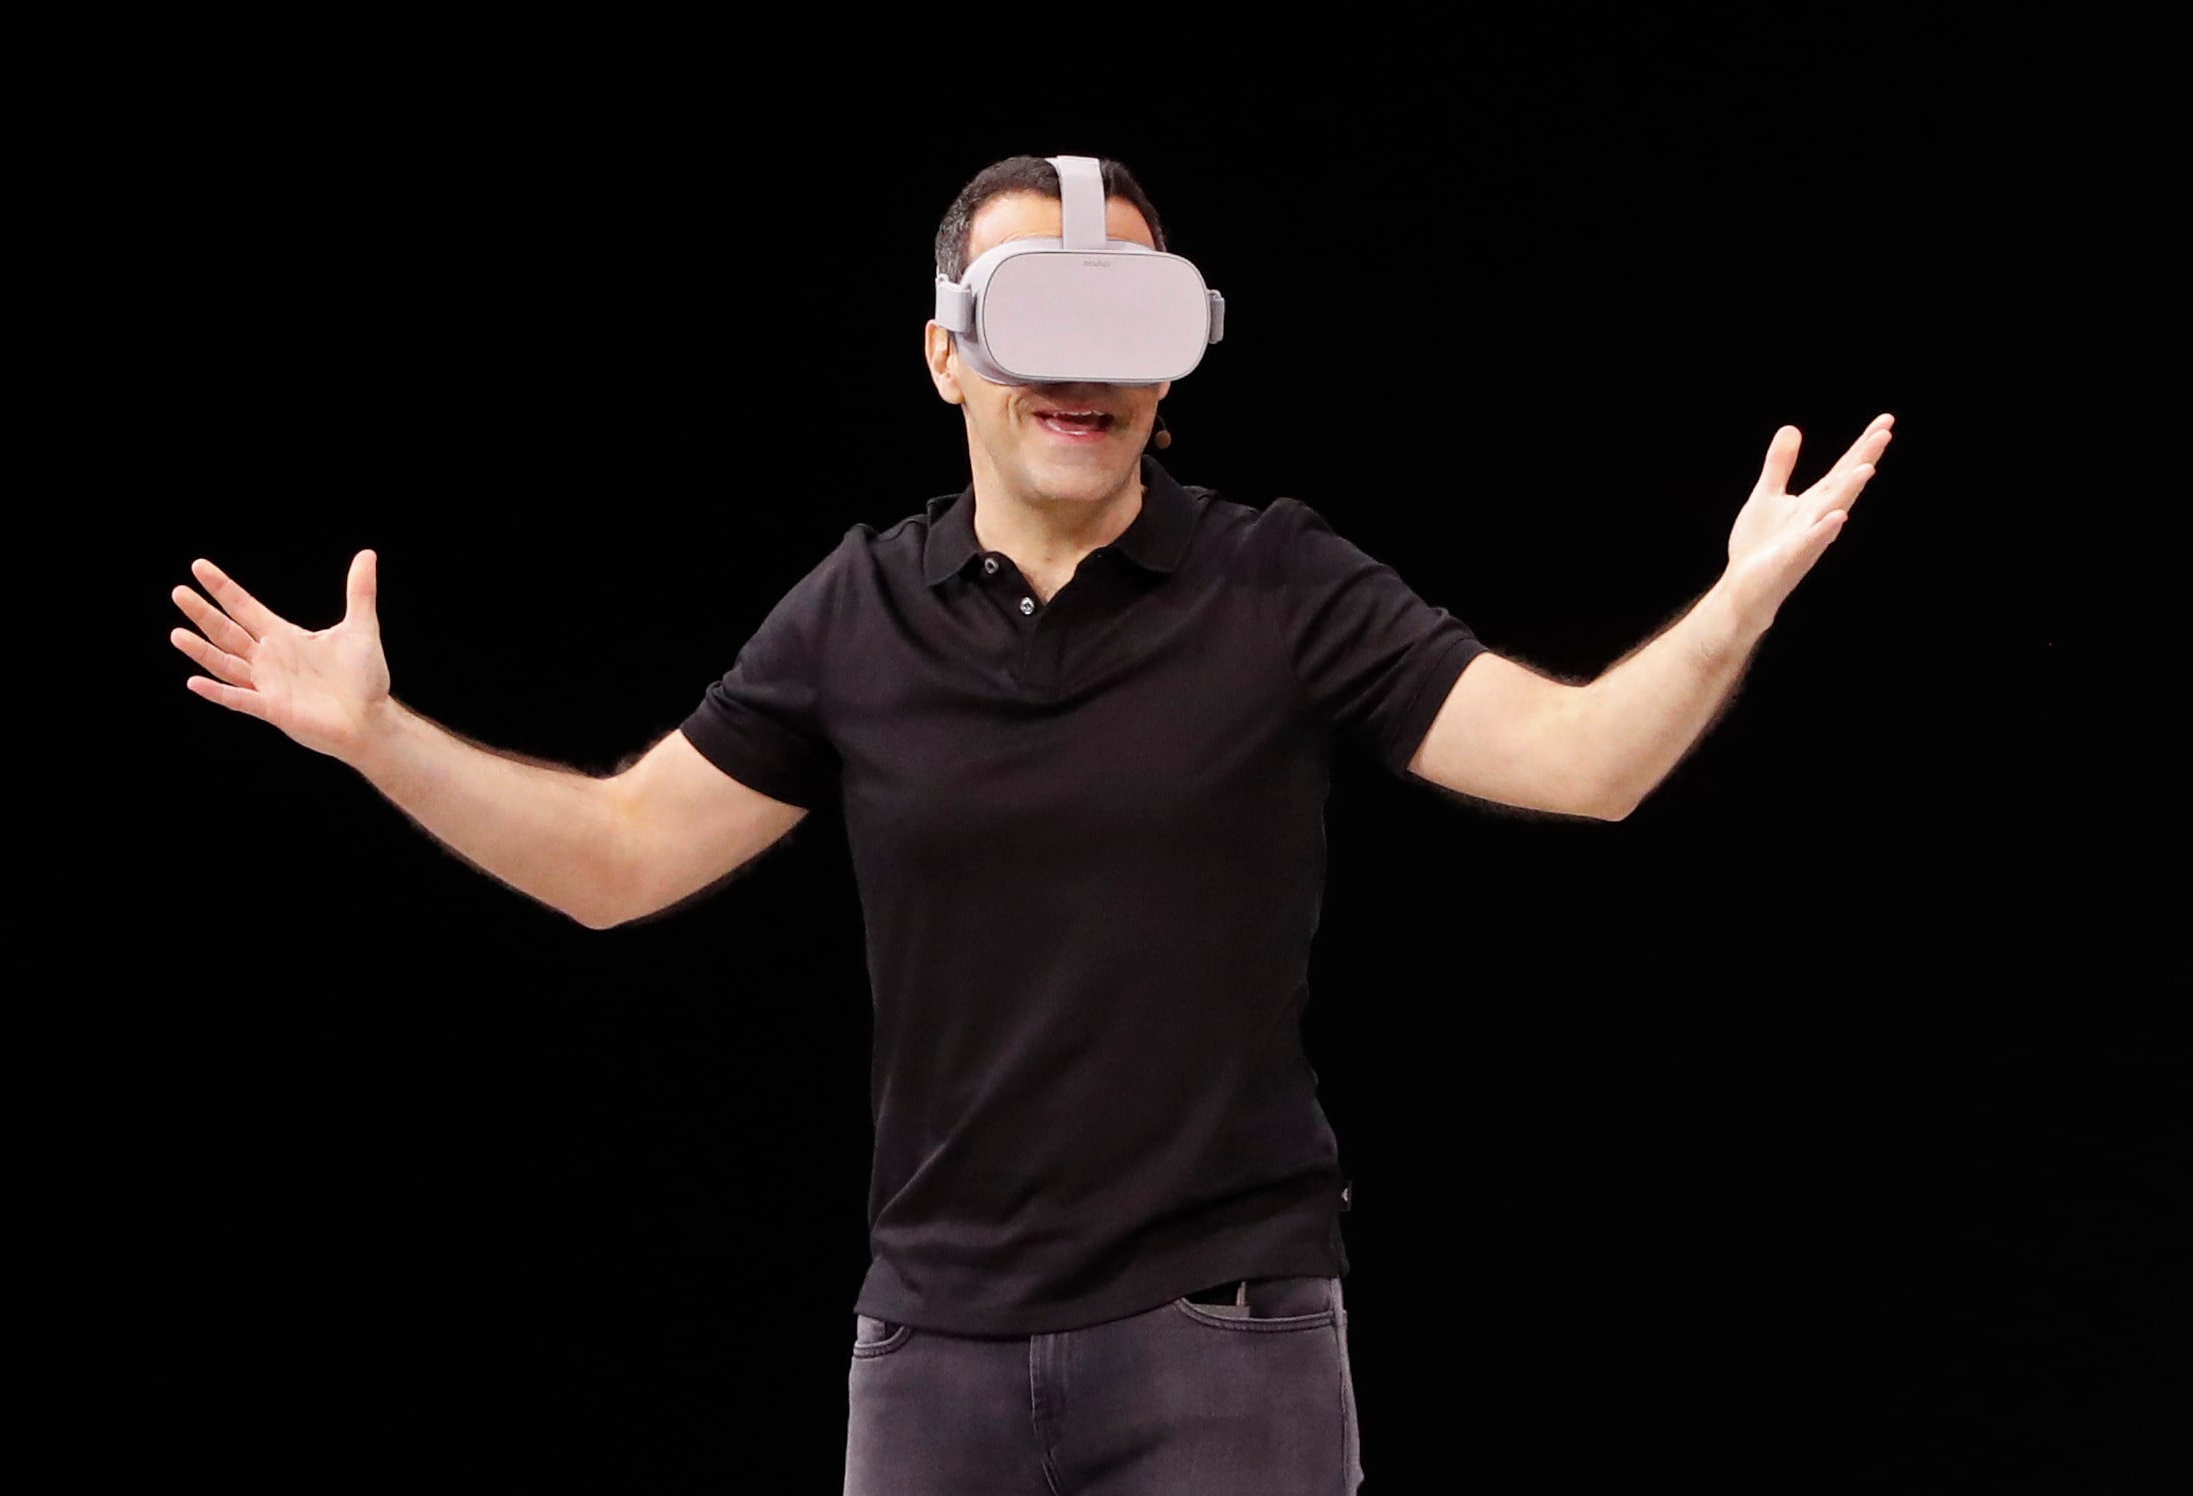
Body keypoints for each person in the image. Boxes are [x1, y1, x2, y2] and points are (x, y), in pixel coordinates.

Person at [168, 154, 1891, 1494]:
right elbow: (621, 861)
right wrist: (377, 739)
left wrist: (1732, 607)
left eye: (1123, 322)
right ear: (946, 352)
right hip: (933, 1357)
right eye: (1032, 319)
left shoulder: (1279, 583)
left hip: (1227, 1345)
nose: (1081, 373)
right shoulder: (854, 613)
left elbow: (1583, 760)